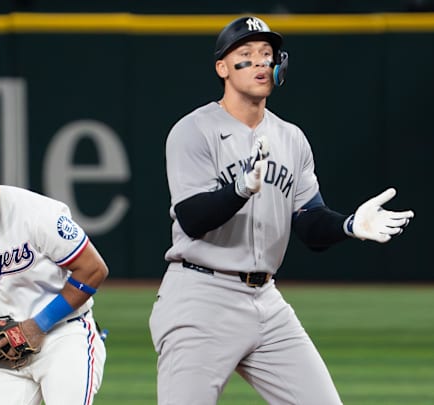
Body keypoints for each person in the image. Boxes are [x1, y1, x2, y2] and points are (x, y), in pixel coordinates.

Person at [148, 16, 415, 405]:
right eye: (247, 54)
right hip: (202, 297)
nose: (260, 62)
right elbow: (192, 219)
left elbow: (309, 223)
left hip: (267, 301)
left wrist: (349, 225)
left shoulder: (291, 138)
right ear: (222, 67)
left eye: (267, 54)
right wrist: (238, 190)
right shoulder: (194, 130)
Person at [0, 144, 108, 405]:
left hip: (64, 336)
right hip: (7, 348)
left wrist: (37, 326)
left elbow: (93, 269)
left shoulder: (37, 213)